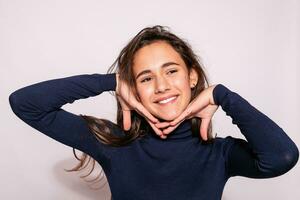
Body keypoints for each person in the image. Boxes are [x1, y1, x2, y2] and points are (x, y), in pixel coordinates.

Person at [9, 25, 299, 200]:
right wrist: (111, 82)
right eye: (145, 78)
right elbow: (26, 104)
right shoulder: (114, 144)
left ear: (193, 77)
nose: (161, 85)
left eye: (171, 71)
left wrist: (222, 96)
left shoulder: (218, 154)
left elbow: (281, 157)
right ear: (134, 89)